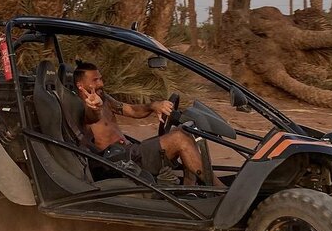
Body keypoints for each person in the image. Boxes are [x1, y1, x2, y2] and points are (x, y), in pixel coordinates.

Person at [74, 60, 224, 187]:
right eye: (95, 80)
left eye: (100, 78)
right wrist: (94, 107)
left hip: (130, 152)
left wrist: (153, 106)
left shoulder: (104, 99)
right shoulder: (80, 105)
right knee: (179, 139)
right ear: (80, 85)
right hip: (117, 162)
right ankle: (220, 190)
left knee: (184, 131)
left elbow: (132, 110)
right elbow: (91, 118)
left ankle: (189, 188)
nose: (101, 83)